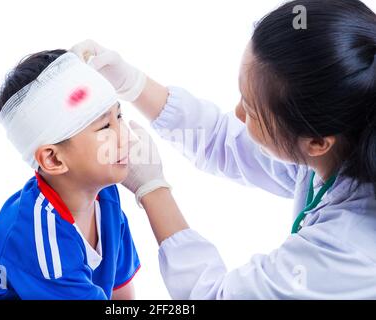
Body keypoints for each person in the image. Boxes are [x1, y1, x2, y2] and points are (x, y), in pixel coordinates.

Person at [72, 0, 376, 299]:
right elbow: (221, 139)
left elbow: (215, 297)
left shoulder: (350, 249)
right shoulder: (345, 134)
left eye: (253, 111)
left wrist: (152, 189)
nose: (238, 113)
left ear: (317, 143)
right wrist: (133, 83)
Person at [0, 49, 141, 299]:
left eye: (119, 116)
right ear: (53, 158)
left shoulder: (107, 198)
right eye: (105, 127)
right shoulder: (39, 234)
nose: (127, 137)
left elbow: (122, 296)